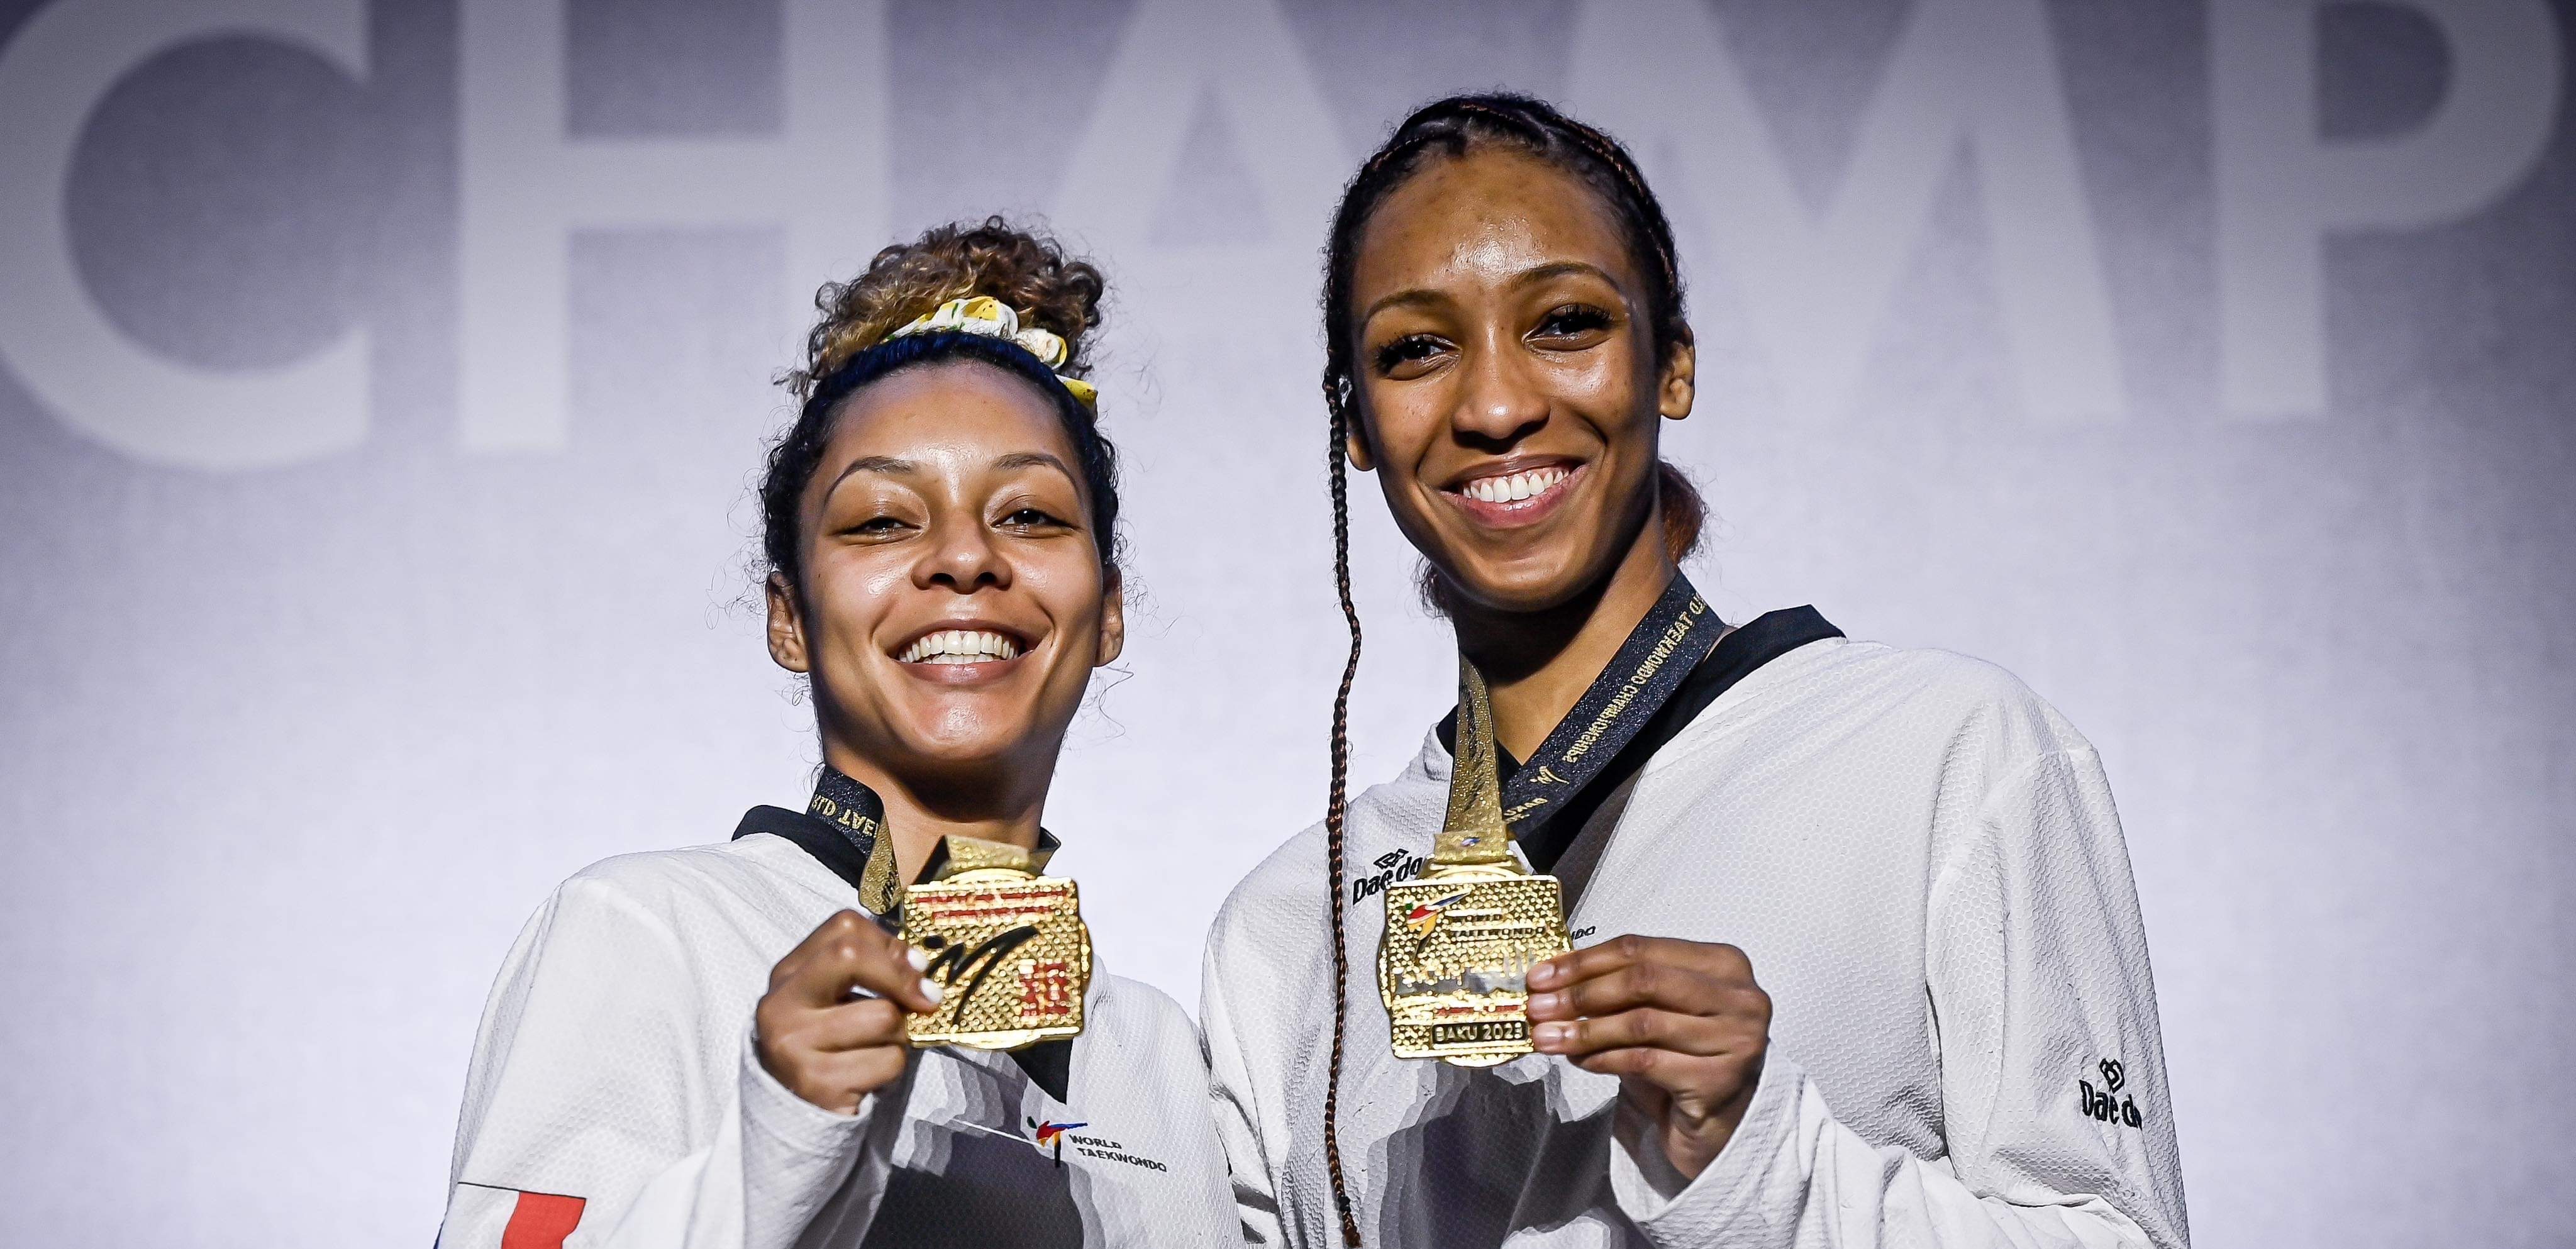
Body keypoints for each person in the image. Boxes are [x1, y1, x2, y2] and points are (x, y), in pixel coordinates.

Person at [1200, 95, 2189, 1248]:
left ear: (1671, 364)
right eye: (1416, 347)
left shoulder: (1946, 753)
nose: (1498, 404)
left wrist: (1763, 1150)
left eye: (1564, 322)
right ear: (1354, 423)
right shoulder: (1287, 925)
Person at [438, 219, 1236, 1249]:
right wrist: (784, 1123)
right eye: (882, 521)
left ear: (1109, 608)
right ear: (789, 617)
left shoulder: (1155, 1051)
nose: (964, 558)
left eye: (1030, 515)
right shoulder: (649, 930)